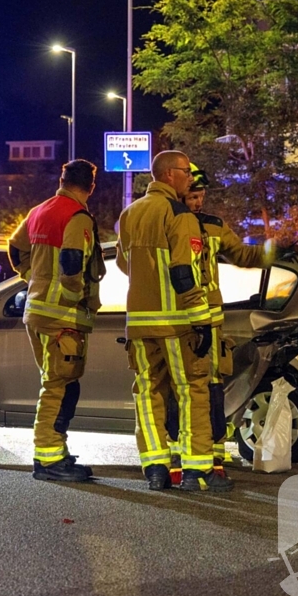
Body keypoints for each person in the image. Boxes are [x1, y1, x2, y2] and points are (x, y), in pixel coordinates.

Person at [116, 150, 232, 493]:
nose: (189, 178)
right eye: (185, 171)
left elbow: (123, 264)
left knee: (148, 393)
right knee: (192, 391)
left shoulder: (129, 213)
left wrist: (148, 282)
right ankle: (197, 472)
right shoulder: (179, 214)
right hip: (177, 324)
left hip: (139, 324)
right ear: (169, 174)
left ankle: (155, 469)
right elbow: (185, 271)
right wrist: (200, 321)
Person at [8, 159, 106, 482]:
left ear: (62, 181)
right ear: (91, 187)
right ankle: (48, 457)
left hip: (37, 312)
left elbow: (15, 247)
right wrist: (73, 294)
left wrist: (30, 276)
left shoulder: (39, 211)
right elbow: (72, 260)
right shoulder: (77, 217)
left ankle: (54, 451)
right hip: (62, 317)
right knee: (58, 387)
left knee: (57, 384)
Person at [183, 164, 274, 478]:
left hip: (210, 320)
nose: (198, 202)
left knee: (212, 387)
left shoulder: (214, 226)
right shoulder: (169, 224)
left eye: (201, 196)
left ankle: (214, 452)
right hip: (182, 319)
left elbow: (242, 255)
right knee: (187, 388)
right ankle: (185, 453)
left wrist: (271, 253)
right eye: (192, 197)